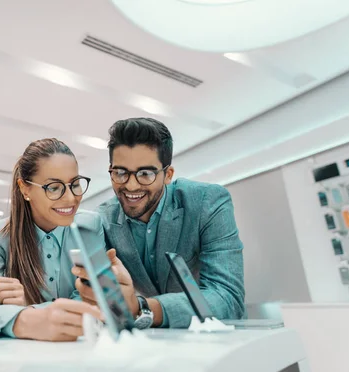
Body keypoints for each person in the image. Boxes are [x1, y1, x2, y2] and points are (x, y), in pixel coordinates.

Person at [74, 117, 245, 328]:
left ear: (168, 175)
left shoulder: (207, 202)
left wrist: (142, 307)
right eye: (120, 173)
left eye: (145, 174)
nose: (131, 185)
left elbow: (228, 297)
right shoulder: (104, 220)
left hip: (217, 335)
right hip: (155, 343)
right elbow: (100, 297)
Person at [0, 138, 103, 341]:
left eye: (74, 184)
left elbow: (93, 299)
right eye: (53, 187)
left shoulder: (91, 226)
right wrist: (28, 320)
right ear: (25, 189)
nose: (70, 198)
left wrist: (28, 309)